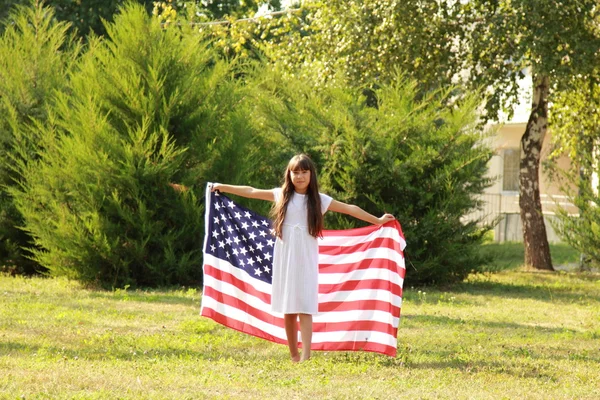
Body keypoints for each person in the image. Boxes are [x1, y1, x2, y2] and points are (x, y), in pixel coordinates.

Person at [210, 154, 395, 362]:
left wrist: (377, 220)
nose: (299, 176)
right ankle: (294, 355)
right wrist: (223, 187)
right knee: (289, 308)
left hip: (306, 256)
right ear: (289, 175)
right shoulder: (281, 195)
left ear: (311, 174)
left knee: (305, 305)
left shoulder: (319, 200)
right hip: (285, 256)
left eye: (304, 172)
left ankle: (306, 355)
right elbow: (251, 191)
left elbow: (349, 208)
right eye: (295, 172)